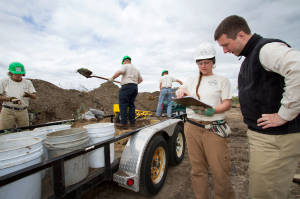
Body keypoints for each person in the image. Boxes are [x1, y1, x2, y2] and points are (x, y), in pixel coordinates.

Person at [214, 15, 300, 199]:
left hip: (276, 140)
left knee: (266, 193)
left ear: (241, 35)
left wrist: (285, 114)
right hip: (267, 138)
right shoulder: (251, 57)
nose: (224, 50)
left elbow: (298, 68)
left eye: (226, 44)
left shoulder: (266, 50)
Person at [177, 42, 235, 199]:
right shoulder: (191, 80)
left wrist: (212, 111)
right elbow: (181, 90)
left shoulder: (222, 80)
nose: (203, 66)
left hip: (213, 128)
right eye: (200, 63)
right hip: (192, 127)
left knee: (220, 169)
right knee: (197, 169)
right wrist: (181, 89)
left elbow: (227, 104)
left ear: (213, 62)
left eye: (207, 62)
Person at [108, 55, 143, 129]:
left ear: (124, 61)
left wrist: (112, 78)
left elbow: (119, 72)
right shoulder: (136, 69)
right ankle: (132, 122)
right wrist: (133, 82)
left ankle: (123, 123)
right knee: (131, 105)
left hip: (126, 87)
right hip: (135, 88)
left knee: (123, 104)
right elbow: (140, 79)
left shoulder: (125, 65)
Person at [0, 62, 37, 130]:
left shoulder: (27, 82)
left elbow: (34, 96)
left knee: (24, 131)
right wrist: (10, 99)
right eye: (15, 73)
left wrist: (29, 95)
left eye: (20, 74)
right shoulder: (4, 81)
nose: (18, 75)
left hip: (22, 111)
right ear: (10, 73)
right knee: (5, 132)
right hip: (8, 111)